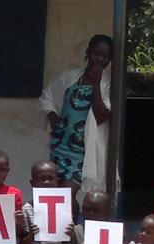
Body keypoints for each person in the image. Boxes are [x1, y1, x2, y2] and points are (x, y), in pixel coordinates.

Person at [41, 35, 114, 193]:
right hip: (60, 146)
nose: (100, 59)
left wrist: (95, 84)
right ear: (88, 53)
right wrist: (54, 118)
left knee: (68, 193)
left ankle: (70, 218)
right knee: (54, 192)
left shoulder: (106, 84)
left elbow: (101, 116)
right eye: (96, 53)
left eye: (105, 56)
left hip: (81, 150)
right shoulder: (70, 77)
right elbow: (47, 96)